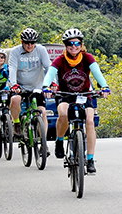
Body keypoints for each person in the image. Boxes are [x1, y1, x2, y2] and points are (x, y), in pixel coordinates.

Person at [43, 28, 110, 174]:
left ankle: (90, 159)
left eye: (77, 43)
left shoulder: (87, 58)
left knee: (90, 121)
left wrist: (104, 86)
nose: (74, 46)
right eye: (70, 44)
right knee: (64, 115)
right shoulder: (60, 60)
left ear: (81, 44)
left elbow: (97, 73)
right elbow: (50, 74)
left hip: (84, 94)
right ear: (65, 45)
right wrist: (46, 87)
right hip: (65, 94)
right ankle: (60, 140)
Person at [8, 28, 52, 137]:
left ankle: (43, 142)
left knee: (42, 113)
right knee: (15, 100)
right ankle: (17, 122)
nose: (30, 45)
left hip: (37, 86)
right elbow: (12, 69)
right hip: (20, 86)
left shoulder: (41, 50)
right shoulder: (15, 52)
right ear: (22, 42)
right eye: (27, 43)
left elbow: (49, 67)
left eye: (32, 43)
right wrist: (14, 84)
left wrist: (51, 83)